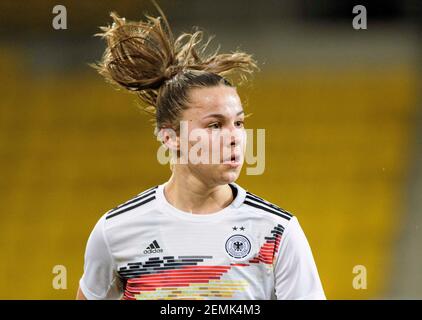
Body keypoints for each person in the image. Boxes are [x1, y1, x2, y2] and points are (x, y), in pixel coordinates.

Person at [76, 4, 326, 300]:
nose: (235, 137)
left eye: (239, 123)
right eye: (215, 125)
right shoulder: (116, 231)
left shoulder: (276, 232)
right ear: (171, 138)